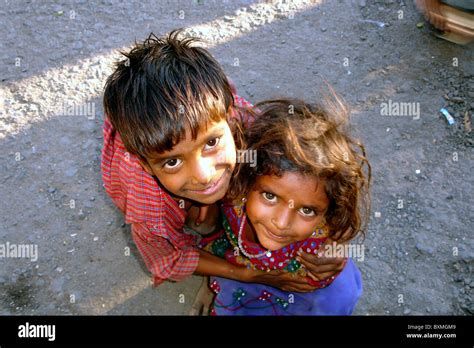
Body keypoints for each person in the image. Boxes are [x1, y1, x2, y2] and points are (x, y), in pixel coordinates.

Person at [101, 29, 347, 306]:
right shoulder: (150, 209)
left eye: (211, 142)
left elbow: (323, 181)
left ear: (229, 113)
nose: (205, 175)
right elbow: (168, 259)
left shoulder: (243, 124)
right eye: (172, 161)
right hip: (157, 189)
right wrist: (246, 274)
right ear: (145, 164)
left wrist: (335, 247)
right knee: (200, 216)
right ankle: (210, 239)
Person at [201, 97, 371, 315]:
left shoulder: (321, 246)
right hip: (243, 273)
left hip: (301, 289)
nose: (281, 223)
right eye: (270, 196)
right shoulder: (231, 195)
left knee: (338, 296)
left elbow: (344, 224)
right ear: (246, 179)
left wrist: (338, 245)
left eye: (307, 210)